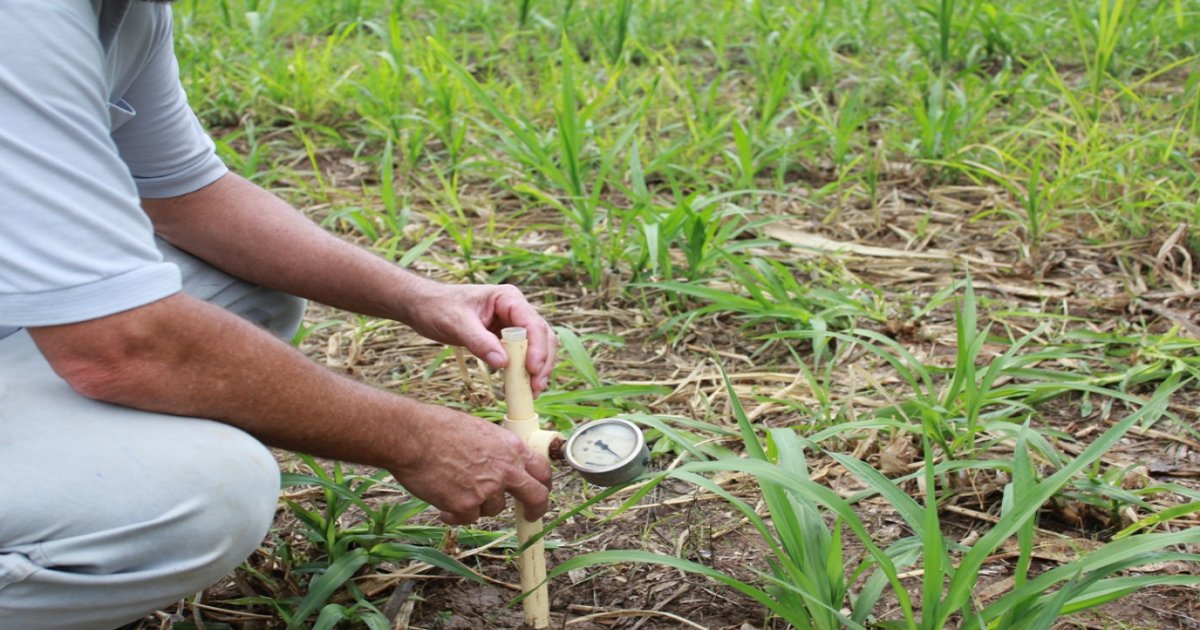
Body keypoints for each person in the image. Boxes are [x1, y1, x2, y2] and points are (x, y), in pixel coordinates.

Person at [0, 1, 558, 627]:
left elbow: (184, 195)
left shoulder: (125, 12)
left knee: (238, 286)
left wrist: (419, 296)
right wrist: (416, 439)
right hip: (101, 345)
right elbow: (124, 346)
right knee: (205, 497)